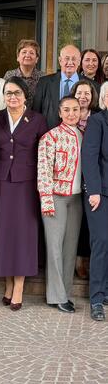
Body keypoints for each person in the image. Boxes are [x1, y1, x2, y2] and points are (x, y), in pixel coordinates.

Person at [0, 77, 48, 310]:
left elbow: (44, 152)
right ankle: (8, 283)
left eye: (17, 93)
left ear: (25, 96)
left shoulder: (38, 119)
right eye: (9, 93)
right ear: (3, 96)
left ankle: (19, 287)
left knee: (22, 234)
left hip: (26, 184)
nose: (13, 97)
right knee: (3, 233)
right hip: (0, 183)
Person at [37, 96, 83, 313]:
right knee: (54, 247)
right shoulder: (50, 137)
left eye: (75, 109)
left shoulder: (83, 135)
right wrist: (46, 200)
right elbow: (43, 171)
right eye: (67, 110)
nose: (71, 114)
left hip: (77, 199)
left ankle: (65, 293)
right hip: (56, 197)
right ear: (59, 112)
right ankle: (56, 296)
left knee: (70, 248)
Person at [81, 81, 108, 321]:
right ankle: (96, 299)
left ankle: (106, 291)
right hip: (101, 193)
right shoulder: (97, 121)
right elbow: (89, 157)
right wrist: (94, 191)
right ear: (105, 99)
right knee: (101, 242)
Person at [70, 79, 99, 280]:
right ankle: (77, 259)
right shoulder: (67, 116)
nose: (82, 97)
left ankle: (87, 258)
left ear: (92, 96)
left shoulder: (98, 118)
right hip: (71, 175)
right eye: (79, 93)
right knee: (76, 219)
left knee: (90, 220)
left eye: (87, 93)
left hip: (92, 176)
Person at [32, 44, 82, 130]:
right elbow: (36, 112)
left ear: (79, 61)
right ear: (60, 60)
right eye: (67, 58)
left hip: (80, 134)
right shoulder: (44, 82)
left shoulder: (91, 85)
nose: (70, 62)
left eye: (74, 59)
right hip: (49, 133)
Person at [4, 39, 44, 108]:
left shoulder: (43, 77)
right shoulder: (9, 75)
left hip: (36, 114)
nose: (27, 55)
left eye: (31, 53)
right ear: (18, 57)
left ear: (37, 59)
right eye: (24, 52)